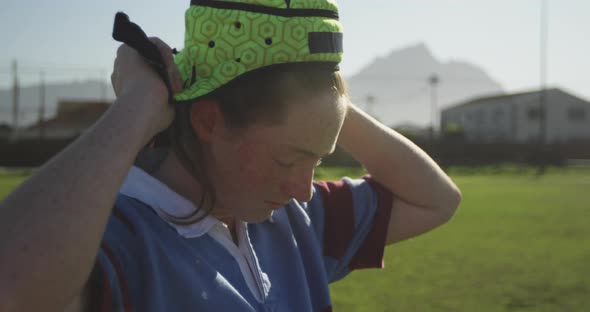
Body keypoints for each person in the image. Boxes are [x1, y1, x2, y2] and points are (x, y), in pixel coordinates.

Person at [0, 1, 461, 311]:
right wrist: (138, 103)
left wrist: (320, 92)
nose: (303, 187)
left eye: (317, 161)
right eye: (287, 160)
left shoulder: (297, 221)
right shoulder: (119, 240)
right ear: (207, 121)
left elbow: (437, 198)